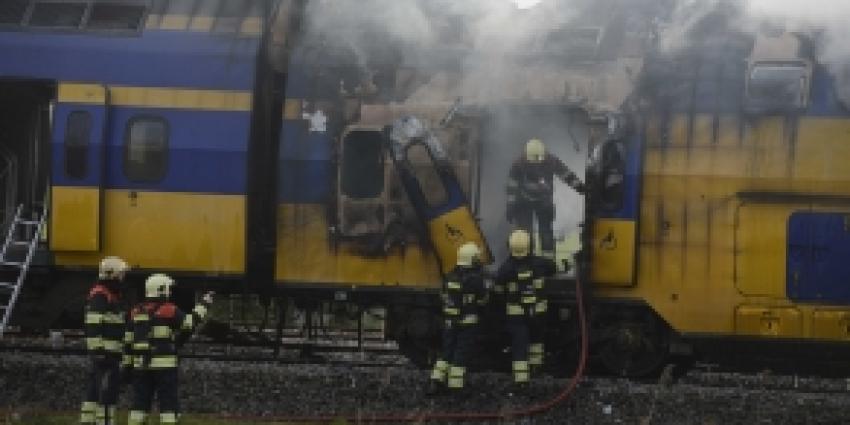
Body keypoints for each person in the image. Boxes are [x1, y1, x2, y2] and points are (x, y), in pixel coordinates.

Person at [127, 274, 213, 425]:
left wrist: (127, 365)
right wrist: (204, 305)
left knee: (139, 403)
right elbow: (189, 324)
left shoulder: (136, 311)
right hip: (165, 368)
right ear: (162, 290)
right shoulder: (169, 310)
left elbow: (127, 341)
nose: (170, 292)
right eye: (168, 289)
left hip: (141, 366)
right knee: (168, 403)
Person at [506, 138, 585, 261]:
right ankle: (526, 261)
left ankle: (547, 262)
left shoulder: (551, 161)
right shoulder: (518, 164)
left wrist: (581, 188)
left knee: (546, 232)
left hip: (543, 201)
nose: (536, 165)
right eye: (533, 163)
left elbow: (566, 175)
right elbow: (512, 186)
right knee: (525, 233)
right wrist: (510, 205)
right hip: (523, 202)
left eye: (538, 162)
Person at [495, 230, 553, 387]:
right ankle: (536, 367)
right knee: (537, 339)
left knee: (519, 343)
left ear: (509, 247)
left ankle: (521, 379)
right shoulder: (541, 263)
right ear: (531, 245)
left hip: (516, 315)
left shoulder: (505, 269)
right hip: (538, 312)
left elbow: (498, 291)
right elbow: (555, 267)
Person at [428, 242, 487, 395]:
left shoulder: (450, 276)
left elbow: (443, 296)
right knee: (460, 353)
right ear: (472, 260)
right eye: (476, 258)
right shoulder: (476, 280)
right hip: (467, 323)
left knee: (446, 351)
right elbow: (483, 300)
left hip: (449, 322)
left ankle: (436, 380)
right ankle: (455, 387)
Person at [80, 256, 130, 425]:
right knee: (106, 392)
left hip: (110, 353)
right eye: (121, 274)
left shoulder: (108, 294)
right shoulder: (101, 295)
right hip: (106, 354)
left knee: (97, 390)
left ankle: (90, 421)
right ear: (112, 275)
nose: (123, 278)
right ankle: (103, 422)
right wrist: (98, 351)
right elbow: (93, 324)